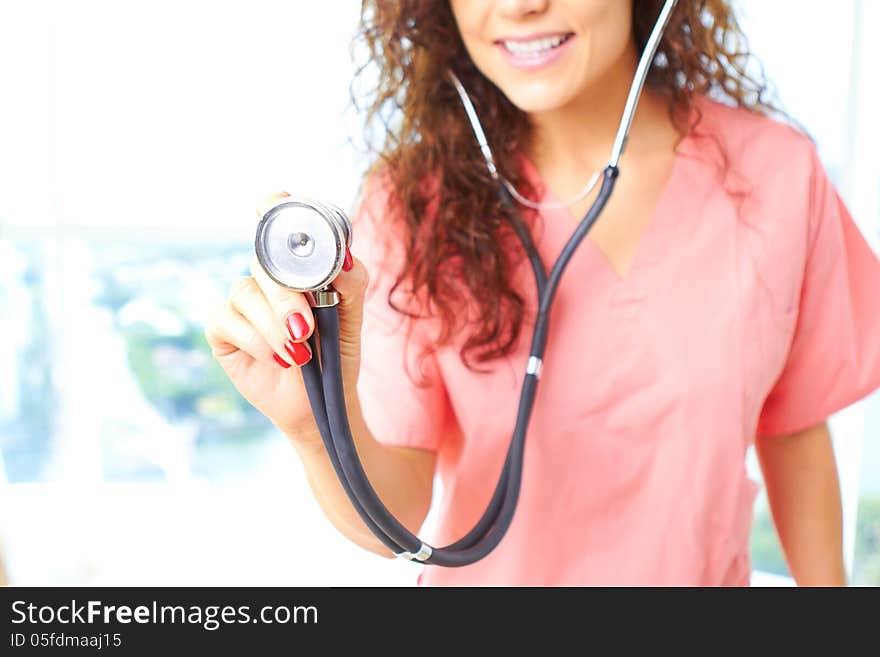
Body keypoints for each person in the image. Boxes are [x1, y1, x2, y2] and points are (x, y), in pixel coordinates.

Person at [204, 0, 880, 586]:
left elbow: (793, 430)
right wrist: (314, 429)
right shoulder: (411, 204)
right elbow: (397, 514)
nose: (522, 4)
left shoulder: (776, 176)